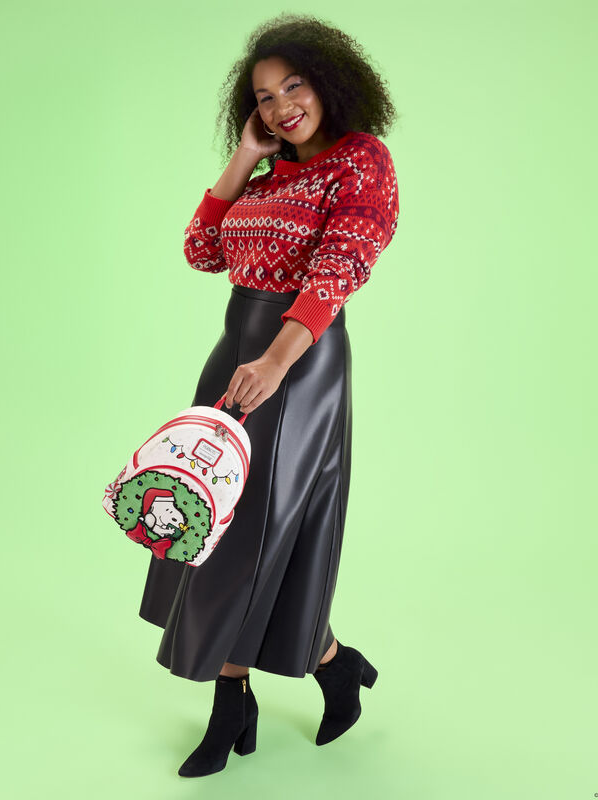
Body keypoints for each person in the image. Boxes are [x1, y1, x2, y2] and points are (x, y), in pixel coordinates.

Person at [137, 13, 401, 777]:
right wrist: (244, 157)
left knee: (254, 534)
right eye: (264, 95)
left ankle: (233, 707)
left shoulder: (362, 161)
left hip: (299, 356)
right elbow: (200, 248)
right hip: (236, 352)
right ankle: (328, 666)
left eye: (295, 84)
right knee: (215, 523)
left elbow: (341, 267)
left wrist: (280, 361)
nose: (283, 103)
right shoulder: (267, 175)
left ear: (330, 82)